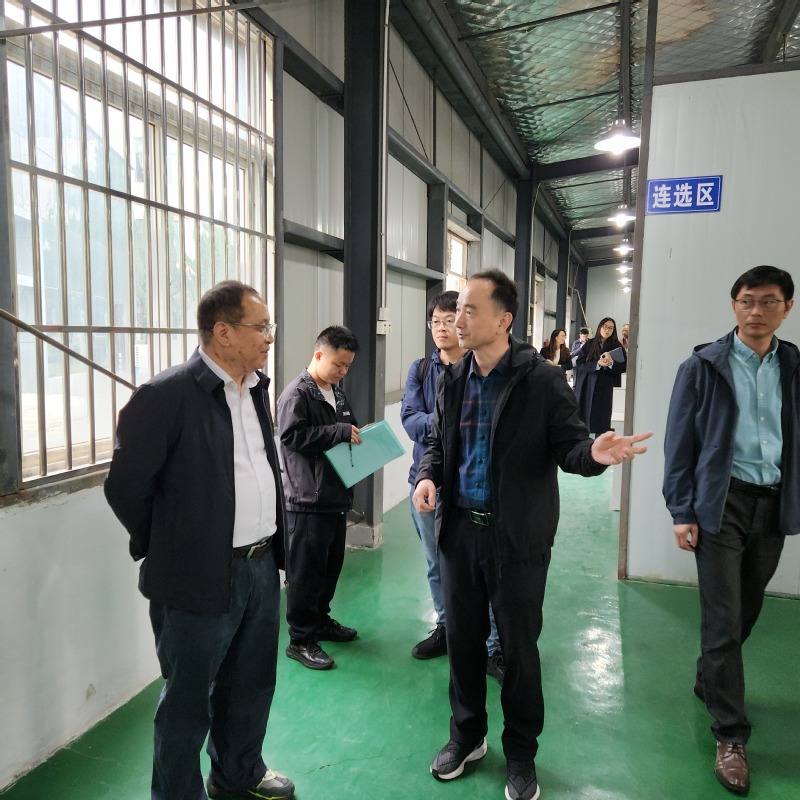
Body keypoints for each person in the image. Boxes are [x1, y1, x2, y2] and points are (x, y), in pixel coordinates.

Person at [413, 269, 651, 800]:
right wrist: (428, 475)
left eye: (470, 309)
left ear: (504, 320)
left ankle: (521, 754)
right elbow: (437, 443)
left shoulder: (540, 379)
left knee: (518, 651)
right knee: (464, 645)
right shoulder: (453, 377)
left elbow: (571, 448)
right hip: (459, 534)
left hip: (516, 539)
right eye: (457, 309)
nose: (457, 319)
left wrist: (594, 453)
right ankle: (467, 737)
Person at [104, 281, 294, 800]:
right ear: (223, 332)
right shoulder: (166, 395)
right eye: (261, 327)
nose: (270, 337)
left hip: (260, 567)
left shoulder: (255, 389)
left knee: (250, 686)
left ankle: (238, 775)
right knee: (187, 703)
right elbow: (125, 488)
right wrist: (169, 544)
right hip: (195, 576)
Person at [663, 265, 799, 796]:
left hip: (774, 502)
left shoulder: (793, 366)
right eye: (747, 301)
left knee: (747, 609)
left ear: (787, 308)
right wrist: (682, 511)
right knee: (722, 618)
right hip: (722, 504)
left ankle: (709, 675)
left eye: (768, 301)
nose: (756, 311)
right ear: (734, 305)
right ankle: (730, 735)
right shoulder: (702, 367)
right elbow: (680, 444)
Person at [400, 291, 505, 683]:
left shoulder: (482, 370)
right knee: (436, 565)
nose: (443, 328)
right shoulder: (421, 370)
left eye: (450, 320)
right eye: (436, 322)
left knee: (484, 569)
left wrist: (445, 421)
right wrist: (449, 421)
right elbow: (410, 419)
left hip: (471, 490)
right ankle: (446, 628)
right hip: (427, 482)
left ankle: (493, 647)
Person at [278, 326, 361, 671]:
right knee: (305, 574)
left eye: (347, 366)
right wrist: (338, 432)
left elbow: (346, 429)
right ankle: (300, 639)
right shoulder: (297, 394)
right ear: (318, 355)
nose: (343, 371)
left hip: (333, 497)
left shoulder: (335, 393)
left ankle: (320, 621)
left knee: (329, 568)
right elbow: (291, 436)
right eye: (338, 364)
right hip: (306, 501)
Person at [573, 317, 626, 434]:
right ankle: (584, 440)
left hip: (605, 385)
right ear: (600, 327)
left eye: (611, 328)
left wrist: (611, 363)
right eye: (605, 327)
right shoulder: (590, 343)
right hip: (588, 383)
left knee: (602, 417)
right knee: (585, 413)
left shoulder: (617, 346)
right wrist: (597, 364)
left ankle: (601, 439)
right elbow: (580, 363)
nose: (607, 330)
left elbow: (623, 367)